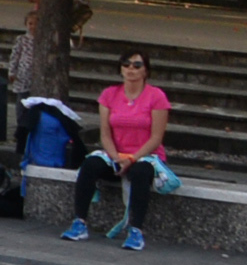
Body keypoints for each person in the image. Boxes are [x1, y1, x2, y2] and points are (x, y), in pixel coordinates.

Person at [69, 47, 171, 248]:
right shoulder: (109, 95)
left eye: (137, 65)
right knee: (90, 165)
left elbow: (156, 137)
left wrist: (132, 159)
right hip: (116, 154)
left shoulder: (156, 96)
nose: (131, 69)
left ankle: (136, 230)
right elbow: (105, 134)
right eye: (126, 65)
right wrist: (116, 157)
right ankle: (79, 222)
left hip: (144, 155)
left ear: (146, 70)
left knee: (141, 173)